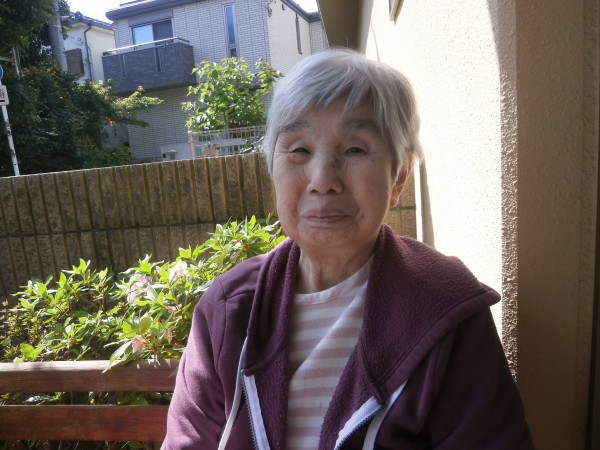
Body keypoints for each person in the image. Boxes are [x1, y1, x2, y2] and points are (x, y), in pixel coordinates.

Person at [162, 49, 534, 449]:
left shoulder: (445, 308)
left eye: (356, 149)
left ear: (399, 177)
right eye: (299, 150)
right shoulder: (227, 310)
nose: (323, 180)